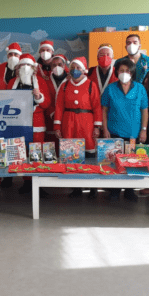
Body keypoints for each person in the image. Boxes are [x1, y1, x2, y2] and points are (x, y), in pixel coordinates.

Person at [54, 57, 102, 197]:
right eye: (73, 67)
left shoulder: (91, 85)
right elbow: (59, 106)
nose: (75, 70)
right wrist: (57, 125)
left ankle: (93, 187)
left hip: (86, 122)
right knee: (71, 155)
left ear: (84, 70)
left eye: (78, 68)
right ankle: (75, 187)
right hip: (68, 122)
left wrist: (97, 126)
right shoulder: (64, 85)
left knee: (89, 155)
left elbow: (97, 107)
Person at [101, 58, 149, 202]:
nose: (124, 73)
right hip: (114, 131)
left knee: (132, 163)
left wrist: (144, 130)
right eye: (121, 70)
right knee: (114, 162)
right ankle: (115, 190)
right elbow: (104, 110)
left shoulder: (140, 88)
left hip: (133, 132)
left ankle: (129, 190)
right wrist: (104, 128)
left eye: (127, 71)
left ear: (132, 72)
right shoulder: (110, 88)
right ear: (116, 72)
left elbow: (145, 110)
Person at [7, 54, 52, 195]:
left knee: (36, 153)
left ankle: (37, 182)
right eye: (22, 65)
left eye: (28, 66)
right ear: (17, 68)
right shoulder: (12, 82)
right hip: (18, 123)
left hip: (36, 123)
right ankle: (26, 182)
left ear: (34, 68)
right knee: (21, 153)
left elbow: (47, 104)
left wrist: (39, 97)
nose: (25, 68)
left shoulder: (41, 82)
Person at [43, 54, 69, 145]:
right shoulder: (46, 81)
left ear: (64, 65)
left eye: (60, 64)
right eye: (54, 65)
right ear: (50, 67)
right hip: (50, 119)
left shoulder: (71, 80)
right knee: (52, 147)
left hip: (68, 118)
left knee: (67, 145)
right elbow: (45, 99)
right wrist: (53, 114)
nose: (57, 67)